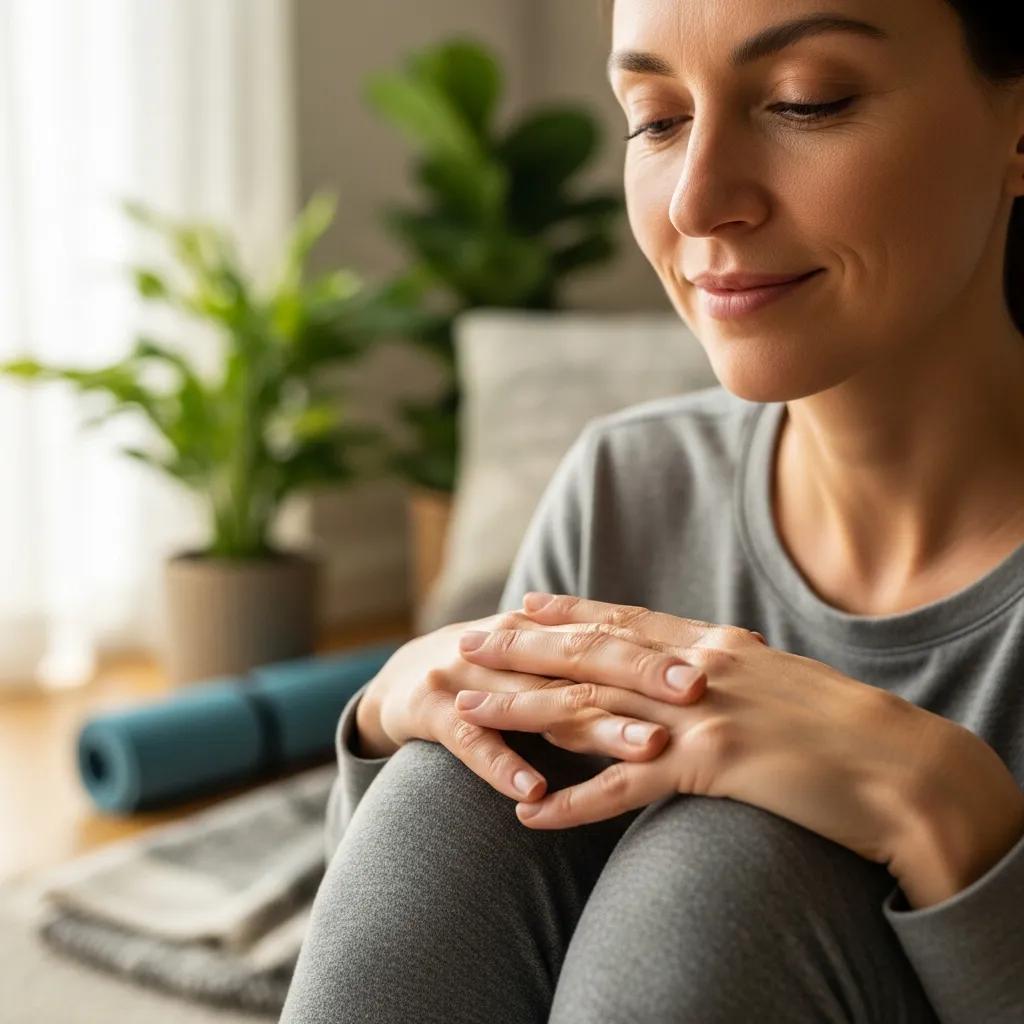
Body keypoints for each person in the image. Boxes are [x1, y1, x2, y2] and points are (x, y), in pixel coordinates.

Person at [279, 1, 1024, 1020]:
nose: (697, 200)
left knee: (728, 862)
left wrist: (945, 813)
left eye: (808, 101)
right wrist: (385, 720)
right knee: (446, 789)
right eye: (657, 119)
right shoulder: (622, 488)